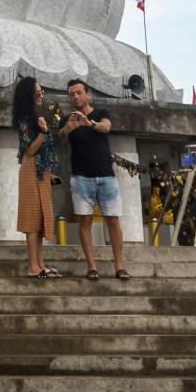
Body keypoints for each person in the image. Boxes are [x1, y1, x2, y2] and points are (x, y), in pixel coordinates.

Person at [62, 78, 129, 281]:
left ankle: (119, 265)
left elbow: (106, 127)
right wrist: (66, 129)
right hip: (81, 176)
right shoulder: (68, 118)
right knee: (85, 220)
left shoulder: (101, 114)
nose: (75, 96)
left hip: (106, 175)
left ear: (87, 94)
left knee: (113, 220)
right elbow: (59, 137)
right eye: (72, 94)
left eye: (78, 92)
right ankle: (92, 266)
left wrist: (88, 123)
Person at [12, 75, 63, 279]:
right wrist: (42, 132)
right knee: (32, 219)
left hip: (41, 171)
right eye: (37, 91)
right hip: (30, 169)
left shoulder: (35, 115)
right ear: (28, 94)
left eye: (42, 90)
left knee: (41, 219)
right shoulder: (26, 118)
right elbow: (30, 151)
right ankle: (33, 266)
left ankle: (40, 263)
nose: (41, 93)